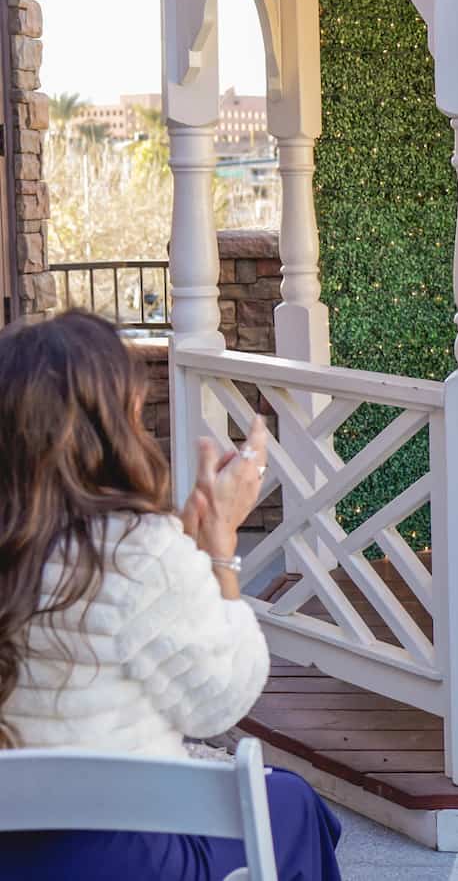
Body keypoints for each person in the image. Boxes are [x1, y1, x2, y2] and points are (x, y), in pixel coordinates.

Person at [0, 312, 343, 880]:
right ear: (105, 426)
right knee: (294, 805)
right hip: (119, 857)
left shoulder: (135, 551)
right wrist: (219, 549)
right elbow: (217, 704)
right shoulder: (136, 550)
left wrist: (183, 548)